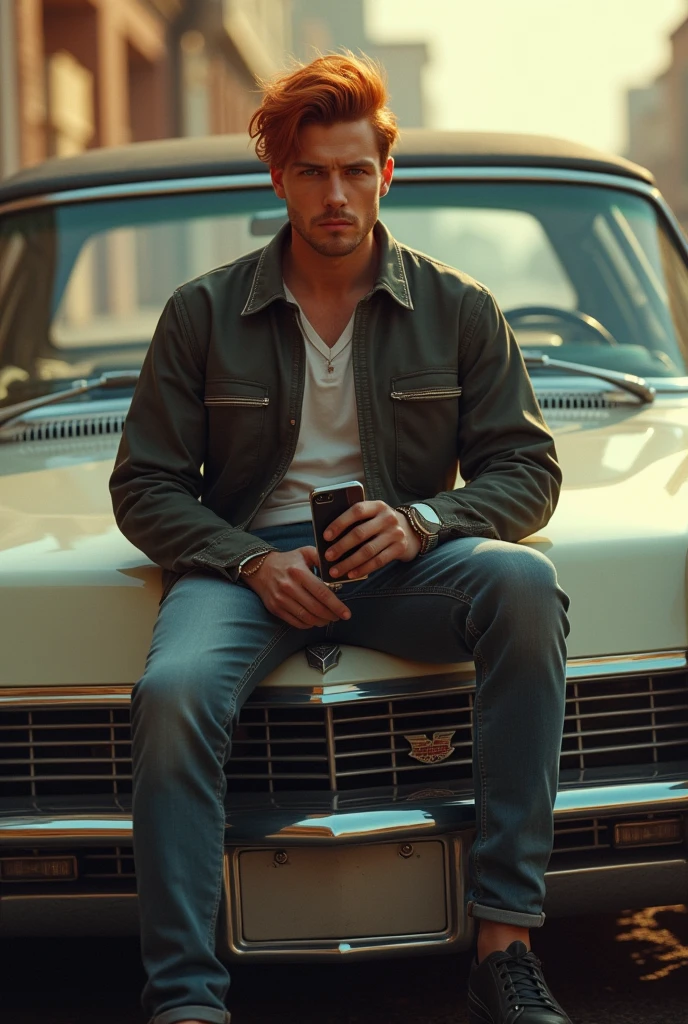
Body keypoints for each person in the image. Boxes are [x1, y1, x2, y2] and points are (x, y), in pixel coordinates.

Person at [110, 52, 571, 1024]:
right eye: (313, 171)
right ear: (278, 179)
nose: (335, 194)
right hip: (244, 568)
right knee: (174, 690)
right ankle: (186, 999)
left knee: (523, 585)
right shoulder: (200, 312)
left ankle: (504, 941)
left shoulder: (459, 308)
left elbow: (527, 471)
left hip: (406, 558)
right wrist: (250, 561)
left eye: (355, 170)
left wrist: (424, 521)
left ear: (385, 174)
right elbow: (144, 486)